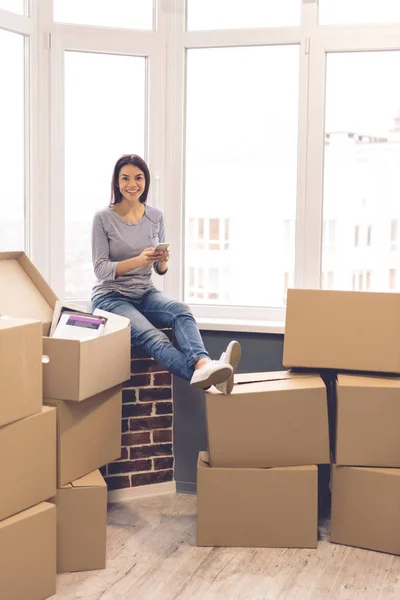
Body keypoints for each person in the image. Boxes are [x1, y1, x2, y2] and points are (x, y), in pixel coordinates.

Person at [91, 153, 241, 393]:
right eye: (125, 178)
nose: (132, 184)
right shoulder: (103, 219)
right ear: (117, 183)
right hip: (111, 297)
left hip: (145, 292)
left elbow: (159, 270)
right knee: (155, 338)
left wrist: (162, 261)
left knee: (181, 311)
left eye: (138, 178)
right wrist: (138, 260)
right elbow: (101, 270)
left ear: (146, 181)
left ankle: (204, 363)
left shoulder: (155, 217)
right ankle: (212, 375)